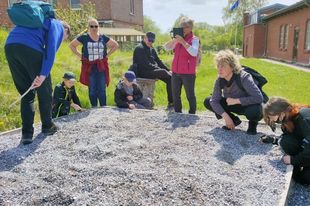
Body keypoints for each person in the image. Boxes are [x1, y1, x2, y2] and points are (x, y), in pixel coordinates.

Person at [4, 18, 70, 145]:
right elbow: (50, 51)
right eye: (64, 39)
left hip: (10, 46)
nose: (62, 41)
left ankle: (27, 135)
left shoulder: (39, 21)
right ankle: (47, 126)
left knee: (27, 93)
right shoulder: (58, 26)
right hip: (30, 47)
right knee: (45, 91)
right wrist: (43, 75)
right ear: (66, 30)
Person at [204, 50, 263, 135]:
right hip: (231, 104)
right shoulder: (220, 79)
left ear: (232, 67)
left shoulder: (244, 77)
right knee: (208, 101)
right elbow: (214, 101)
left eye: (223, 66)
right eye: (218, 66)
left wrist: (237, 100)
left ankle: (253, 125)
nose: (219, 69)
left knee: (255, 110)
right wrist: (226, 117)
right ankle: (233, 120)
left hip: (248, 106)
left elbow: (258, 98)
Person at [69, 18, 119, 107]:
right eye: (92, 26)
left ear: (98, 27)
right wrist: (80, 56)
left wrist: (107, 55)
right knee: (92, 89)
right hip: (89, 67)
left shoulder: (103, 37)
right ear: (88, 27)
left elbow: (115, 45)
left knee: (102, 89)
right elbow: (72, 45)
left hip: (101, 67)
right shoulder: (84, 37)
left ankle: (103, 107)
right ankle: (94, 107)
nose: (94, 28)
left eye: (96, 26)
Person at [261, 97, 310, 185]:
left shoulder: (303, 118)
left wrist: (293, 160)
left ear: (281, 112)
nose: (271, 120)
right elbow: (294, 138)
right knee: (286, 141)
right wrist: (274, 140)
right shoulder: (289, 118)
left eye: (271, 116)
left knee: (305, 179)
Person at [164, 16, 199, 114]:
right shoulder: (178, 39)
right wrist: (175, 40)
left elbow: (194, 53)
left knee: (190, 95)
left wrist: (183, 42)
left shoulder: (194, 39)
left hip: (188, 73)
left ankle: (192, 113)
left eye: (185, 26)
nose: (183, 28)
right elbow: (166, 48)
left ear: (191, 28)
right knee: (175, 95)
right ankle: (178, 113)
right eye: (181, 26)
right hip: (175, 72)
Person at [133, 31, 173, 109]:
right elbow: (146, 64)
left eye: (152, 41)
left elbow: (158, 61)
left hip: (151, 71)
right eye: (149, 40)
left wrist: (168, 70)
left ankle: (171, 102)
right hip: (142, 72)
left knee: (170, 78)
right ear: (145, 38)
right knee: (163, 72)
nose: (151, 42)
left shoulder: (152, 49)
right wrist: (161, 70)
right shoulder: (139, 48)